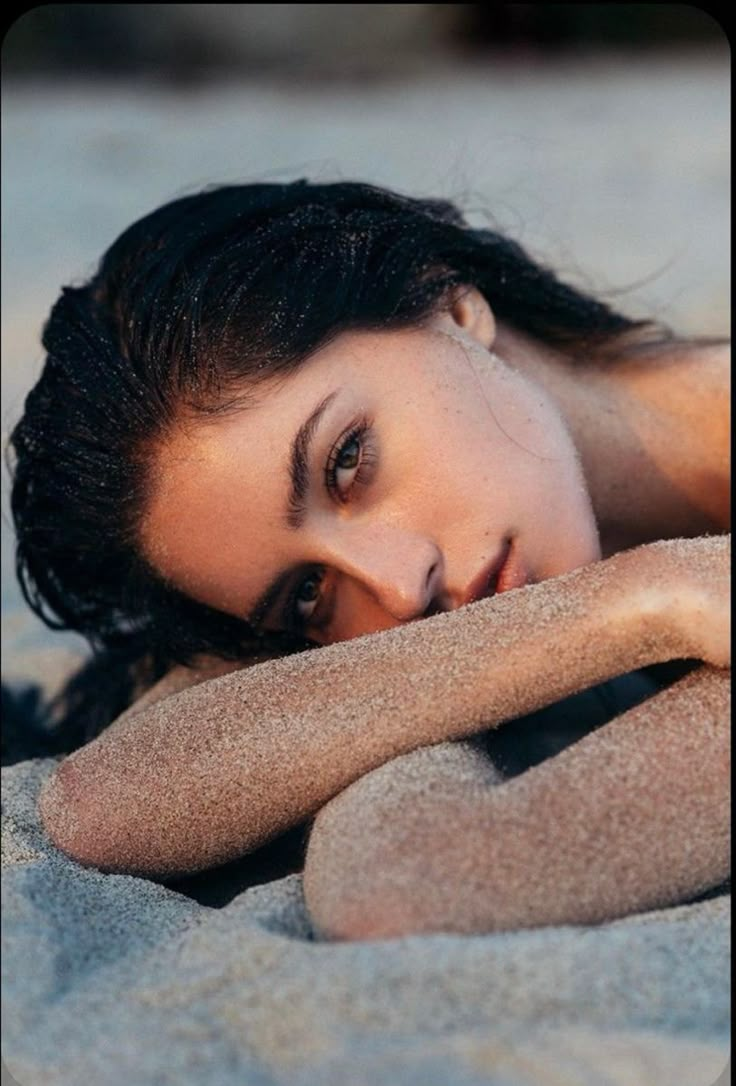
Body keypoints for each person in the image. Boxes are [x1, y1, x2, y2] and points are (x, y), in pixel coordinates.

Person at [7, 180, 730, 939]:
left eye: (348, 460)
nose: (396, 586)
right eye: (308, 592)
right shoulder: (636, 588)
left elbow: (410, 882)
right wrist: (636, 602)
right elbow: (101, 802)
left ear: (452, 307)